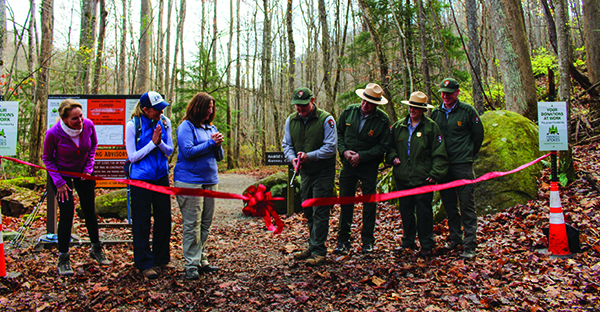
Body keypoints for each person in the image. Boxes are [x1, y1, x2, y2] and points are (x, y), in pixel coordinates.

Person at [42, 99, 110, 276]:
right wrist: (59, 183)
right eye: (74, 119)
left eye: (81, 116)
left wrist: (88, 169)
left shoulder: (88, 125)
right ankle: (63, 258)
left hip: (83, 173)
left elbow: (93, 145)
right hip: (61, 174)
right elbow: (47, 158)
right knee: (67, 213)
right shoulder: (53, 133)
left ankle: (96, 249)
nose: (80, 121)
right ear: (64, 119)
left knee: (89, 210)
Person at [387, 91, 448, 257]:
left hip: (423, 179)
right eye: (411, 106)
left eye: (416, 107)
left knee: (424, 213)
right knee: (406, 212)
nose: (412, 110)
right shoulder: (399, 126)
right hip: (403, 178)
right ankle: (408, 242)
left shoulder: (431, 127)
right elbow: (389, 147)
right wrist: (393, 157)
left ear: (423, 109)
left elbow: (439, 152)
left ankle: (427, 244)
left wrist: (435, 173)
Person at [282, 87, 337, 266]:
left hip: (323, 172)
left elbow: (330, 147)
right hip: (305, 173)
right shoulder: (291, 120)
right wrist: (292, 160)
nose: (300, 109)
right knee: (307, 209)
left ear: (312, 101)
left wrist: (309, 156)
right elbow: (287, 144)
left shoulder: (326, 119)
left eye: (304, 105)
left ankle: (319, 251)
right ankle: (312, 246)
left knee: (319, 210)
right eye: (297, 106)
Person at [430, 78, 484, 259]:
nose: (445, 96)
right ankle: (455, 239)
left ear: (457, 93)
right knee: (450, 205)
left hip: (462, 165)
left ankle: (470, 245)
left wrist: (468, 154)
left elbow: (478, 136)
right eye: (443, 93)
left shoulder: (467, 111)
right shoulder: (436, 113)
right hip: (444, 166)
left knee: (467, 204)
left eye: (449, 93)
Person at [335, 83, 391, 254]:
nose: (365, 105)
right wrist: (344, 152)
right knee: (346, 202)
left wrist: (363, 156)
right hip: (348, 165)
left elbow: (384, 146)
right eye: (363, 101)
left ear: (376, 104)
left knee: (369, 204)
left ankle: (368, 241)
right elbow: (338, 133)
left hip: (368, 166)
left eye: (369, 102)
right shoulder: (349, 112)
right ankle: (343, 240)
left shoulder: (382, 120)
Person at [173, 92, 223, 280]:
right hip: (189, 180)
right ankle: (191, 263)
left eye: (212, 107)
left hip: (210, 179)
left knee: (205, 223)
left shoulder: (211, 127)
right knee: (192, 223)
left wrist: (217, 144)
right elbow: (187, 152)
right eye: (207, 107)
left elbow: (220, 156)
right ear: (198, 107)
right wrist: (210, 143)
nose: (210, 111)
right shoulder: (186, 126)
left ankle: (201, 258)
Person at [125, 91, 174, 279]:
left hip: (161, 176)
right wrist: (153, 144)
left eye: (162, 108)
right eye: (157, 109)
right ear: (145, 109)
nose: (161, 112)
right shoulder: (133, 126)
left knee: (164, 219)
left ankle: (161, 258)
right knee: (142, 221)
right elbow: (133, 156)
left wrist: (159, 143)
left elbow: (168, 150)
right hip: (140, 179)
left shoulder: (166, 123)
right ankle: (144, 262)